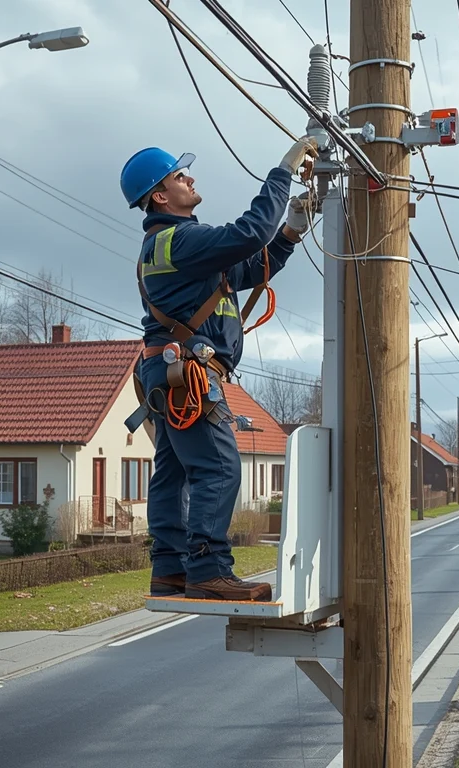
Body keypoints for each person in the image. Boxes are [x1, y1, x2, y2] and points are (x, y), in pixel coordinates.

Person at [120, 137, 317, 602]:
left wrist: (289, 232)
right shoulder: (179, 240)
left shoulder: (175, 247)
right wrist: (282, 171)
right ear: (160, 196)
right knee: (221, 467)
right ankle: (208, 568)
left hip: (168, 373)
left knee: (172, 471)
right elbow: (248, 234)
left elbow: (247, 268)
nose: (190, 178)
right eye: (179, 176)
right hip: (186, 373)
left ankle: (169, 568)